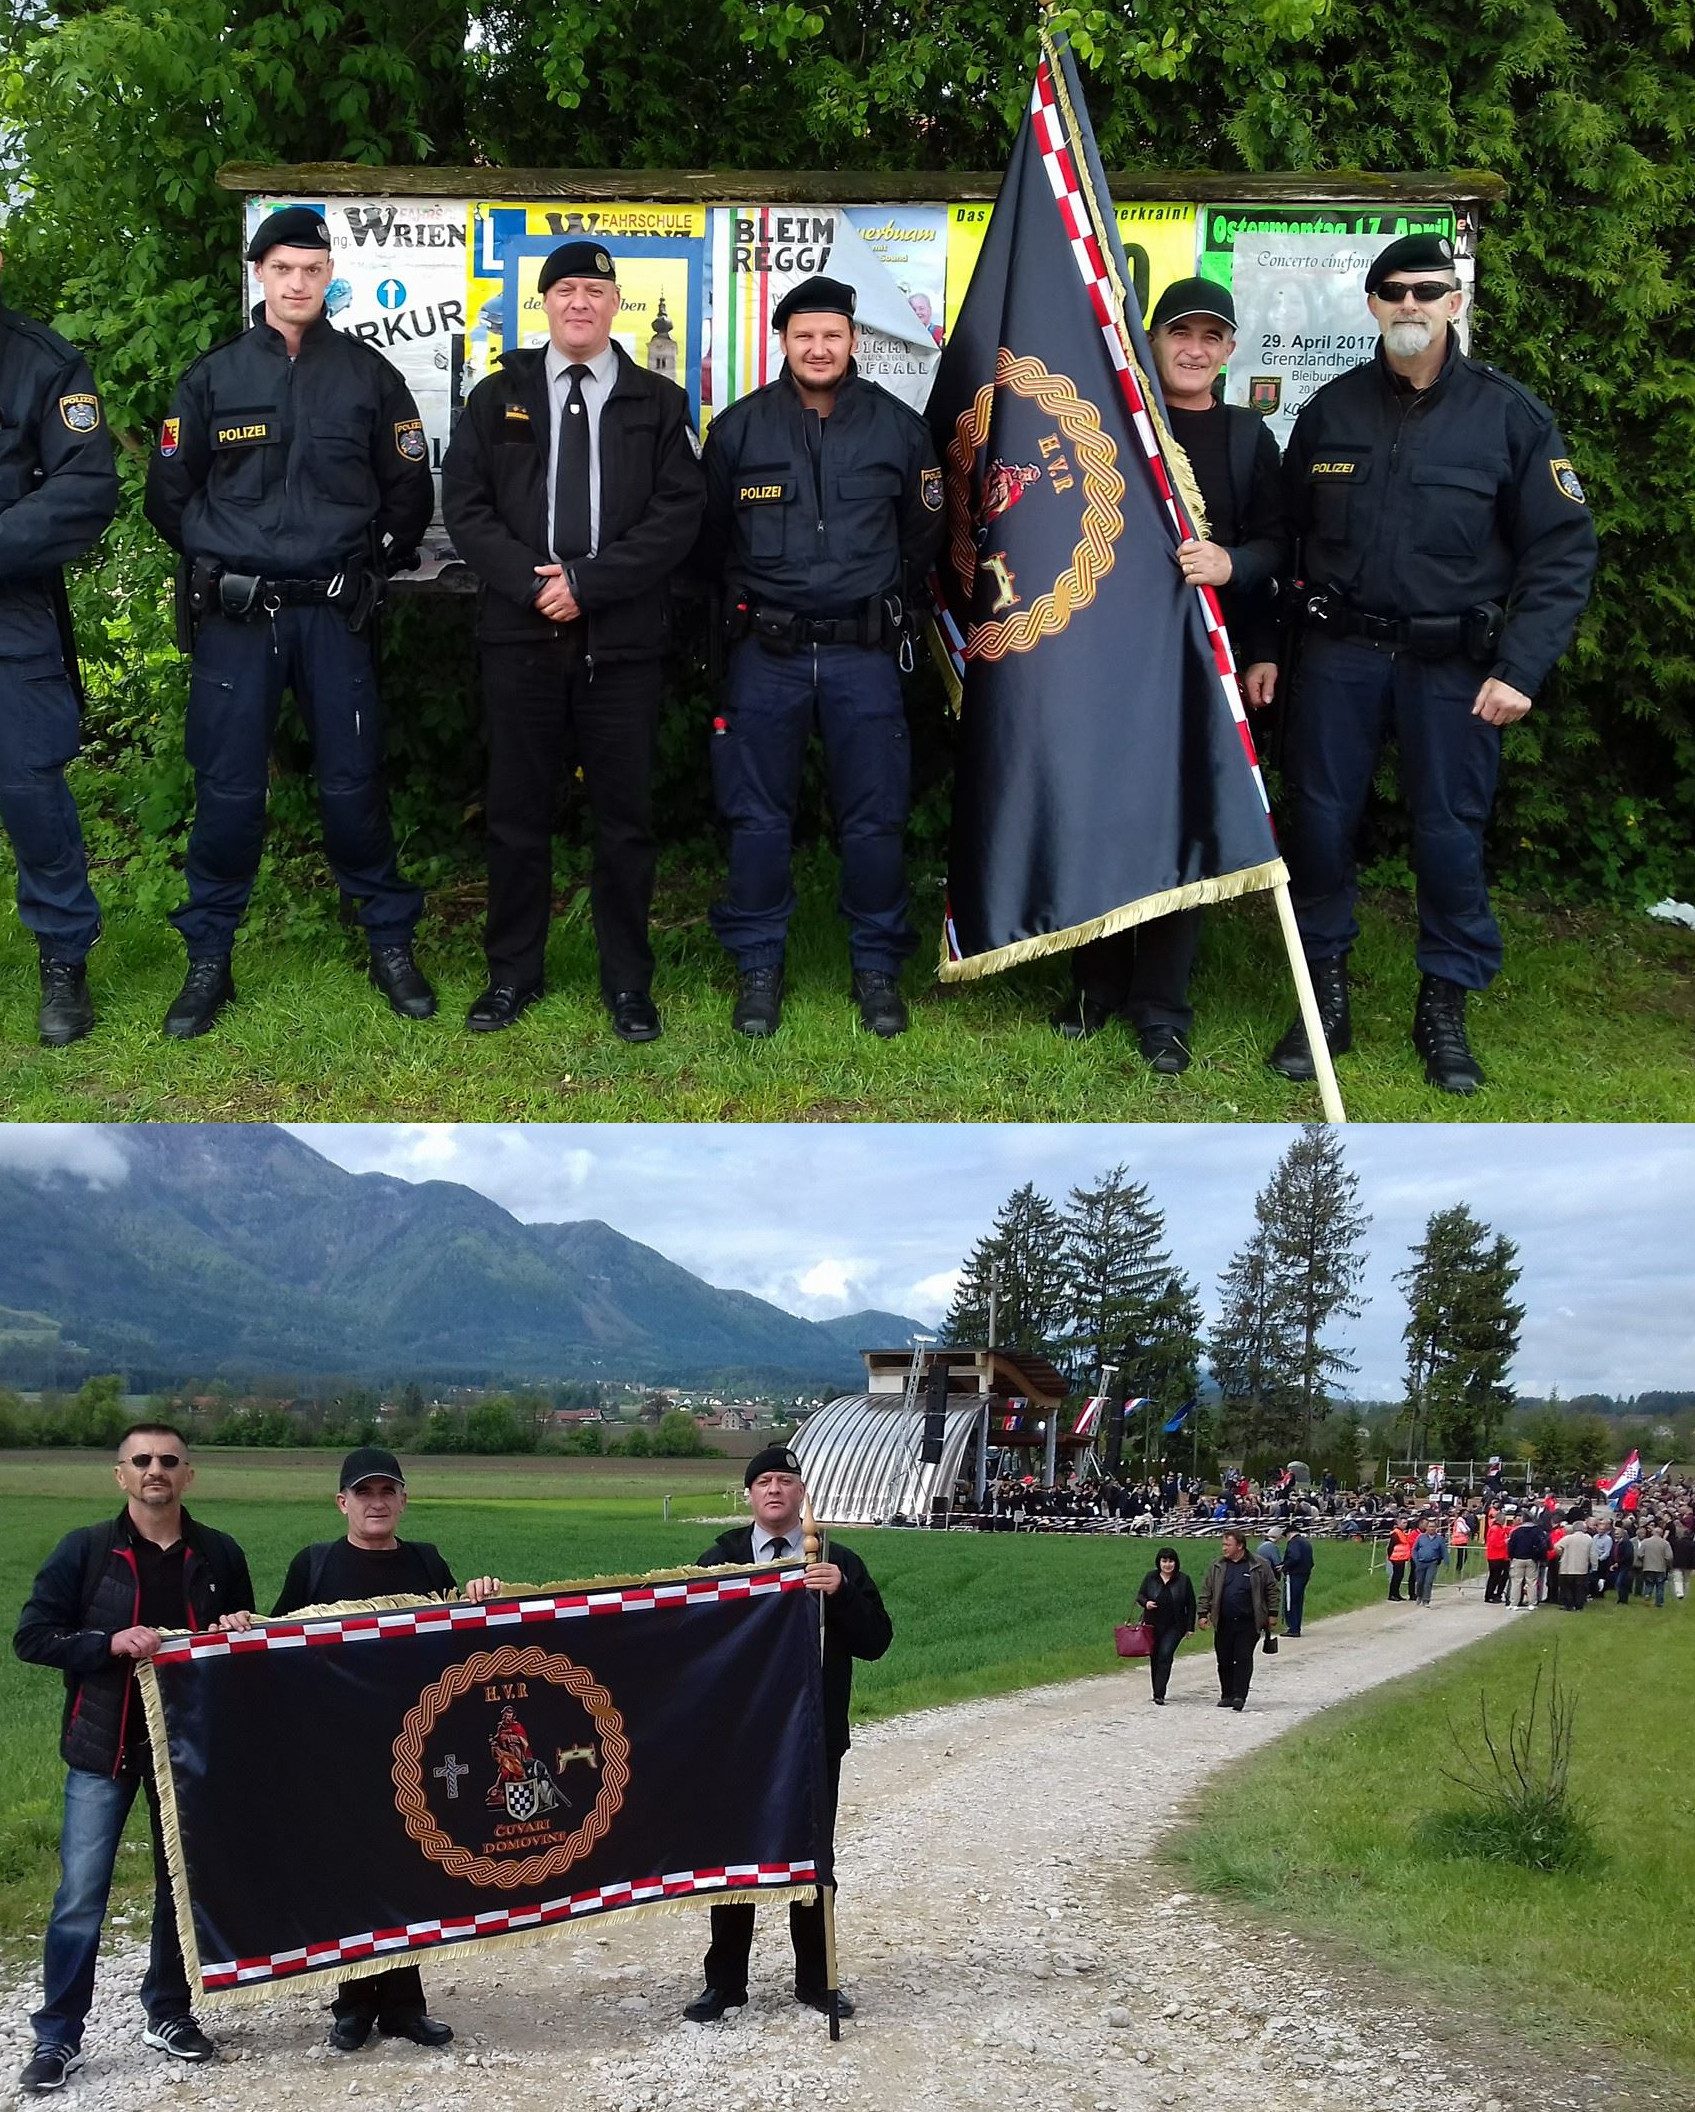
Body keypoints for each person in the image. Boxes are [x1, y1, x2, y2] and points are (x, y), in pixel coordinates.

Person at [1267, 233, 1598, 1094]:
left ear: (1454, 302)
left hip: (1452, 668)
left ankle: (1442, 1009)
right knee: (1320, 829)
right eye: (1392, 291)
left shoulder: (1508, 416)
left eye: (1427, 290)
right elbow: (1283, 540)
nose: (1409, 304)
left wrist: (1520, 669)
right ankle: (1320, 1002)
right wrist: (1270, 647)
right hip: (1338, 657)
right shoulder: (1329, 411)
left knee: (1449, 837)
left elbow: (1562, 553)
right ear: (1371, 306)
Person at [144, 205, 438, 1038]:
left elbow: (408, 490)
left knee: (352, 785)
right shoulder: (212, 379)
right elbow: (169, 494)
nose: (298, 283)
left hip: (333, 617)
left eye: (312, 270)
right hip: (239, 619)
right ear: (260, 276)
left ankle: (388, 941)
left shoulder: (369, 377)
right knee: (229, 790)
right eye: (283, 269)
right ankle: (209, 960)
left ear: (328, 277)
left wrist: (368, 566)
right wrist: (223, 558)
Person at [440, 240, 704, 1042]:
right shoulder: (497, 397)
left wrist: (587, 584)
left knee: (623, 820)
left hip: (622, 643)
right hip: (519, 637)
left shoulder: (659, 402)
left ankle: (628, 985)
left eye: (595, 290)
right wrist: (533, 583)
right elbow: (467, 508)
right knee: (517, 815)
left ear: (615, 303)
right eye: (566, 291)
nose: (580, 303)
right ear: (544, 305)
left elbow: (677, 516)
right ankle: (510, 976)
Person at [698, 275, 943, 1039]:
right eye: (804, 335)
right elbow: (708, 542)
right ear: (783, 342)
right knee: (756, 820)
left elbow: (924, 534)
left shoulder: (898, 429)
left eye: (831, 335)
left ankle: (875, 968)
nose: (818, 347)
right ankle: (759, 968)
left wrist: (874, 602)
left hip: (861, 654)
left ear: (852, 341)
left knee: (874, 819)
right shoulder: (739, 431)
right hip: (763, 654)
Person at [1054, 278, 1286, 1072]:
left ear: (1227, 351)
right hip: (1109, 667)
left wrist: (1234, 570)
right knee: (1103, 822)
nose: (1193, 349)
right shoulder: (1113, 423)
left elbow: (1279, 547)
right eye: (1178, 334)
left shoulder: (1248, 437)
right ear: (1151, 343)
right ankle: (1094, 987)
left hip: (1205, 669)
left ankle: (1162, 1008)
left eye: (1209, 337)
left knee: (1185, 828)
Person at [12, 1423, 254, 2094]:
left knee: (179, 1888)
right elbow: (32, 1637)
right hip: (102, 1748)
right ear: (120, 1475)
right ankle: (58, 2034)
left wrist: (240, 1628)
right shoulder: (85, 1550)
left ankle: (167, 2012)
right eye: (142, 1460)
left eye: (169, 1461)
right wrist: (107, 1643)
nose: (157, 1470)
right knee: (80, 1895)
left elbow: (239, 1649)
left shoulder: (219, 1554)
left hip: (186, 1752)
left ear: (188, 1476)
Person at [264, 1446, 502, 2050]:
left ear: (403, 1500)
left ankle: (404, 2003)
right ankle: (351, 2004)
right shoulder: (314, 1566)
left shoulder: (425, 1562)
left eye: (387, 1492)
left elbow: (460, 1640)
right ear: (342, 1502)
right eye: (364, 1493)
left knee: (407, 1872)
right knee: (348, 1873)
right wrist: (240, 1625)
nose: (376, 1503)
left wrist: (482, 1592)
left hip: (412, 1744)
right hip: (337, 1749)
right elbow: (271, 1653)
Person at [684, 1445, 892, 2021]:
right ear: (749, 1496)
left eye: (785, 1481)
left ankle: (816, 1980)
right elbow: (690, 1642)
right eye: (763, 1481)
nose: (774, 1490)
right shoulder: (720, 1560)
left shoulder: (837, 1558)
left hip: (812, 1738)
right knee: (734, 1859)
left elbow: (877, 1641)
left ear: (802, 1493)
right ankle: (725, 1983)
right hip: (739, 1740)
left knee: (812, 1858)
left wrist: (842, 1593)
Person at [0, 268, 119, 1048]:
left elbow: (87, 485)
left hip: (9, 604)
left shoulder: (41, 361)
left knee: (30, 785)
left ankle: (63, 959)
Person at [1196, 1528, 1278, 1712]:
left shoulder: (1259, 1565)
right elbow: (1206, 1591)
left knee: (1243, 1658)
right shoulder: (1217, 1566)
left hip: (1248, 1621)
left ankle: (1240, 1695)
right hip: (1224, 1621)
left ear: (1239, 1546)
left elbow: (1272, 1589)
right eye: (1223, 1544)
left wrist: (1272, 1613)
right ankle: (1227, 1695)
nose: (1224, 1548)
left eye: (1228, 1544)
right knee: (1224, 1659)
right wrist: (1203, 1614)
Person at [1133, 1546, 1197, 1703]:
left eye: (1171, 1561)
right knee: (1155, 1657)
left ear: (1175, 1563)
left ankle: (1160, 1693)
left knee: (1165, 1654)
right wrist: (1146, 1603)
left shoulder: (1183, 1580)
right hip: (1152, 1625)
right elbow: (1140, 1595)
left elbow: (1191, 1604)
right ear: (1159, 1562)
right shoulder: (1151, 1577)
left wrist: (1190, 1627)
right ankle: (1157, 1690)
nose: (1167, 1565)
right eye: (1164, 1561)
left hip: (1175, 1625)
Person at [1506, 1511, 1548, 1608]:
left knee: (1516, 1581)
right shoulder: (1537, 1531)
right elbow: (1542, 1545)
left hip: (1518, 1558)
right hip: (1532, 1559)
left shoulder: (1516, 1531)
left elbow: (1511, 1545)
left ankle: (1514, 1603)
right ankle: (1532, 1603)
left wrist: (1511, 1556)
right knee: (1531, 1582)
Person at [1281, 1521, 1314, 1636]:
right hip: (1305, 1574)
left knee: (1291, 1601)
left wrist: (1284, 1566)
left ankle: (1293, 1628)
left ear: (1289, 1534)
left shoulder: (1293, 1543)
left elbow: (1295, 1557)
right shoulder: (1305, 1542)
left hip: (1294, 1575)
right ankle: (1296, 1626)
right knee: (1298, 1601)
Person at [1556, 1517, 1595, 1611]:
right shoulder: (1588, 1538)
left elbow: (1557, 1546)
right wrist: (1594, 1565)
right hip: (1581, 1568)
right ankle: (1579, 1606)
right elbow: (1593, 1553)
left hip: (1567, 1567)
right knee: (1580, 1588)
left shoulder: (1568, 1538)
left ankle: (1569, 1605)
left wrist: (1561, 1554)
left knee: (1567, 1587)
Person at [1410, 1518, 1448, 1606]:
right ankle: (1419, 1595)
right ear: (1426, 1528)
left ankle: (1426, 1599)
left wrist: (1446, 1562)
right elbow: (1414, 1549)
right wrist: (1416, 1560)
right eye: (1430, 1526)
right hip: (1421, 1562)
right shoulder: (1421, 1537)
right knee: (1420, 1581)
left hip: (1432, 1563)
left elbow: (1444, 1551)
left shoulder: (1439, 1539)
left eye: (1433, 1527)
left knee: (1428, 1581)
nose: (1432, 1528)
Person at [1634, 1522, 1671, 1607]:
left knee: (1649, 1583)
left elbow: (1639, 1553)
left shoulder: (1645, 1542)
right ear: (1661, 1534)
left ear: (1652, 1533)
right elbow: (1669, 1556)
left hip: (1648, 1567)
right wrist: (1668, 1564)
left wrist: (1644, 1559)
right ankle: (1659, 1602)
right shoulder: (1665, 1543)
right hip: (1661, 1568)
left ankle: (1647, 1594)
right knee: (1660, 1585)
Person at [1386, 1516, 1417, 1601]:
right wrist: (1390, 1557)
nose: (1405, 1525)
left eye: (1406, 1523)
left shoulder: (1402, 1532)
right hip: (1396, 1558)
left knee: (1400, 1576)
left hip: (1401, 1558)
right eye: (1403, 1523)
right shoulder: (1396, 1533)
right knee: (1396, 1576)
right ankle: (1392, 1594)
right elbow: (1390, 1546)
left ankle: (1396, 1594)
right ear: (1398, 1523)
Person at [1483, 1508, 1511, 1603]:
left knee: (1496, 1577)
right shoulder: (1495, 1529)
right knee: (1494, 1577)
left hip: (1497, 1556)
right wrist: (1505, 1541)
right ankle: (1489, 1595)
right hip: (1495, 1556)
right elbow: (1494, 1543)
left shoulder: (1498, 1528)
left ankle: (1491, 1594)